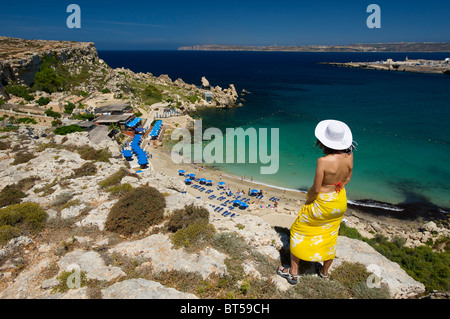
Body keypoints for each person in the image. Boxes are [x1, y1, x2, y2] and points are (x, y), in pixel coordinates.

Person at [277, 119, 355, 285]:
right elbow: (347, 179)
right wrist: (337, 187)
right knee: (331, 234)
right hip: (339, 200)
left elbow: (317, 189)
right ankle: (324, 272)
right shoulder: (349, 155)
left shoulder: (323, 162)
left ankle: (293, 272)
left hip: (322, 202)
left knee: (298, 230)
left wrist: (309, 200)